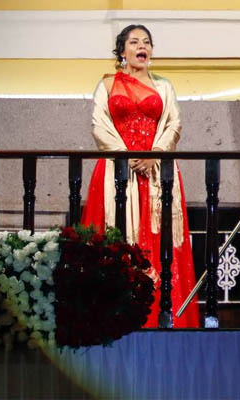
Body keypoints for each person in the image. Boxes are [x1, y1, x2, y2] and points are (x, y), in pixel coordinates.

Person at [81, 24, 200, 328]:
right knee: (116, 239)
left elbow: (174, 124)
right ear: (122, 51)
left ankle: (164, 317)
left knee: (161, 244)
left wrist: (154, 154)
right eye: (134, 42)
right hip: (117, 172)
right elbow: (99, 124)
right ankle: (113, 317)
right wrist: (125, 157)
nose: (141, 46)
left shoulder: (164, 87)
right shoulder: (107, 85)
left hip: (158, 173)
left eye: (146, 42)